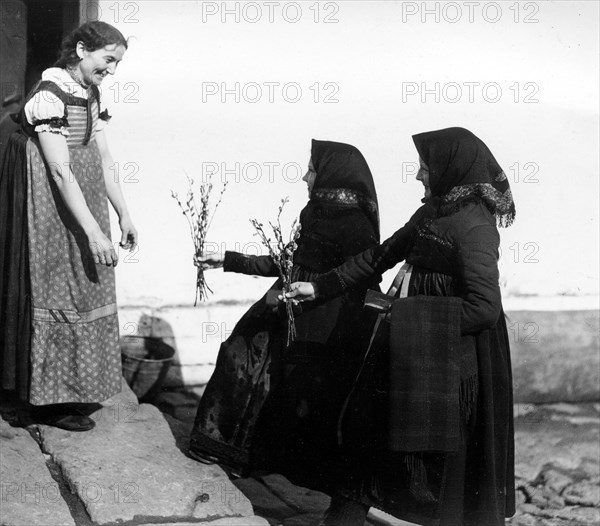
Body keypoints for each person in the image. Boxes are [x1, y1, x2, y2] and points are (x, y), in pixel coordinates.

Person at [287, 127, 516, 526]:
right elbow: (381, 256)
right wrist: (319, 287)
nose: (418, 175)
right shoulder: (434, 210)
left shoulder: (476, 229)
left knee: (441, 467)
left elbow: (484, 309)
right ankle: (343, 517)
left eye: (425, 167)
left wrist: (406, 315)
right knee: (366, 427)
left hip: (453, 360)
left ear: (450, 169)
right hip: (414, 342)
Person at [188, 140, 381, 492]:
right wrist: (228, 260)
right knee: (238, 352)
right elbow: (286, 260)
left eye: (312, 169)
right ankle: (222, 447)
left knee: (280, 386)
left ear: (332, 176)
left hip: (316, 322)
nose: (306, 177)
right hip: (284, 303)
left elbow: (364, 278)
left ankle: (245, 456)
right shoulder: (313, 214)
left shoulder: (357, 227)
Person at [0, 21, 137, 431]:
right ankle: (39, 399)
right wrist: (93, 232)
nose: (112, 70)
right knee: (49, 285)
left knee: (84, 284)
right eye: (107, 60)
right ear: (82, 50)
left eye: (117, 63)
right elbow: (59, 170)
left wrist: (123, 213)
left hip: (79, 195)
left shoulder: (90, 94)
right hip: (41, 201)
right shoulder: (51, 94)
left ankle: (68, 387)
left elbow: (106, 160)